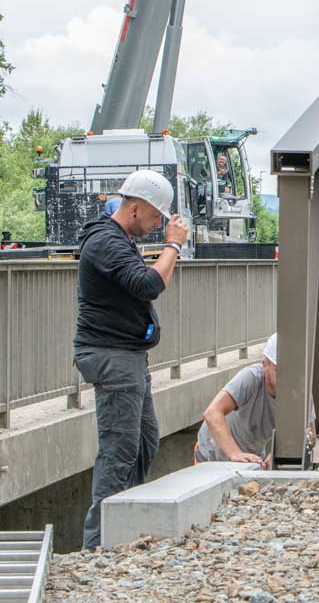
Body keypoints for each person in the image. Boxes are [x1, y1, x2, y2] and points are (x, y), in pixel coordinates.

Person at [73, 169, 189, 549]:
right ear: (136, 207)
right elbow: (148, 284)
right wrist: (173, 245)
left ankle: (124, 520)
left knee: (144, 442)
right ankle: (99, 545)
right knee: (119, 452)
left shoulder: (118, 239)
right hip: (112, 356)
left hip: (127, 354)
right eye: (156, 217)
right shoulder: (106, 242)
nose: (157, 225)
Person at [194, 334, 315, 467]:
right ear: (265, 365)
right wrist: (235, 453)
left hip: (251, 457)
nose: (285, 376)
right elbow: (212, 413)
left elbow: (310, 435)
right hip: (211, 454)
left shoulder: (300, 391)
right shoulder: (250, 378)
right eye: (278, 369)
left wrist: (280, 451)